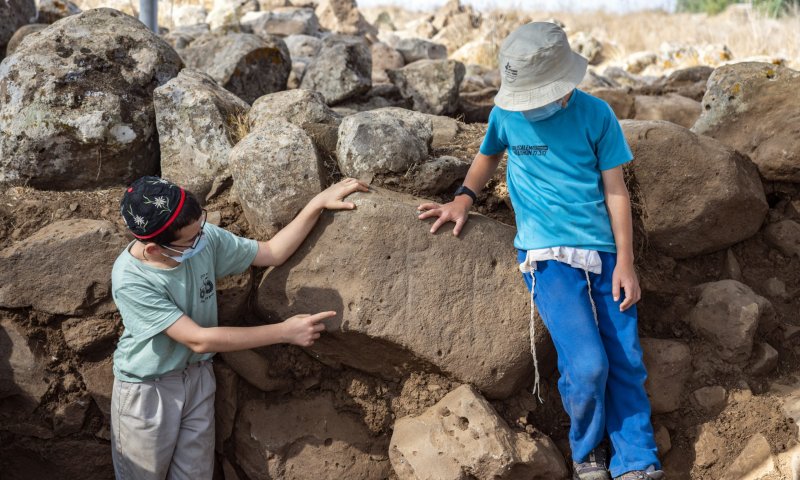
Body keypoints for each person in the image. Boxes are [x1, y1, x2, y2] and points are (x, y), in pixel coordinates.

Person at [417, 22, 664, 480]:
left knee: (626, 360)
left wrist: (626, 261)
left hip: (605, 256)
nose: (531, 106)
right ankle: (588, 452)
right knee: (588, 365)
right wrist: (463, 199)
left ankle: (637, 460)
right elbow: (487, 155)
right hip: (547, 260)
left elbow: (615, 190)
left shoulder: (597, 115)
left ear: (564, 84)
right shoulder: (506, 115)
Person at [110, 175, 368, 479]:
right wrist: (284, 332)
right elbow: (198, 339)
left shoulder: (202, 239)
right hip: (149, 391)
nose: (201, 240)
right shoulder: (132, 280)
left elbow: (272, 251)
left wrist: (317, 204)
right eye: (190, 239)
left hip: (197, 377)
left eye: (201, 228)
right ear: (154, 249)